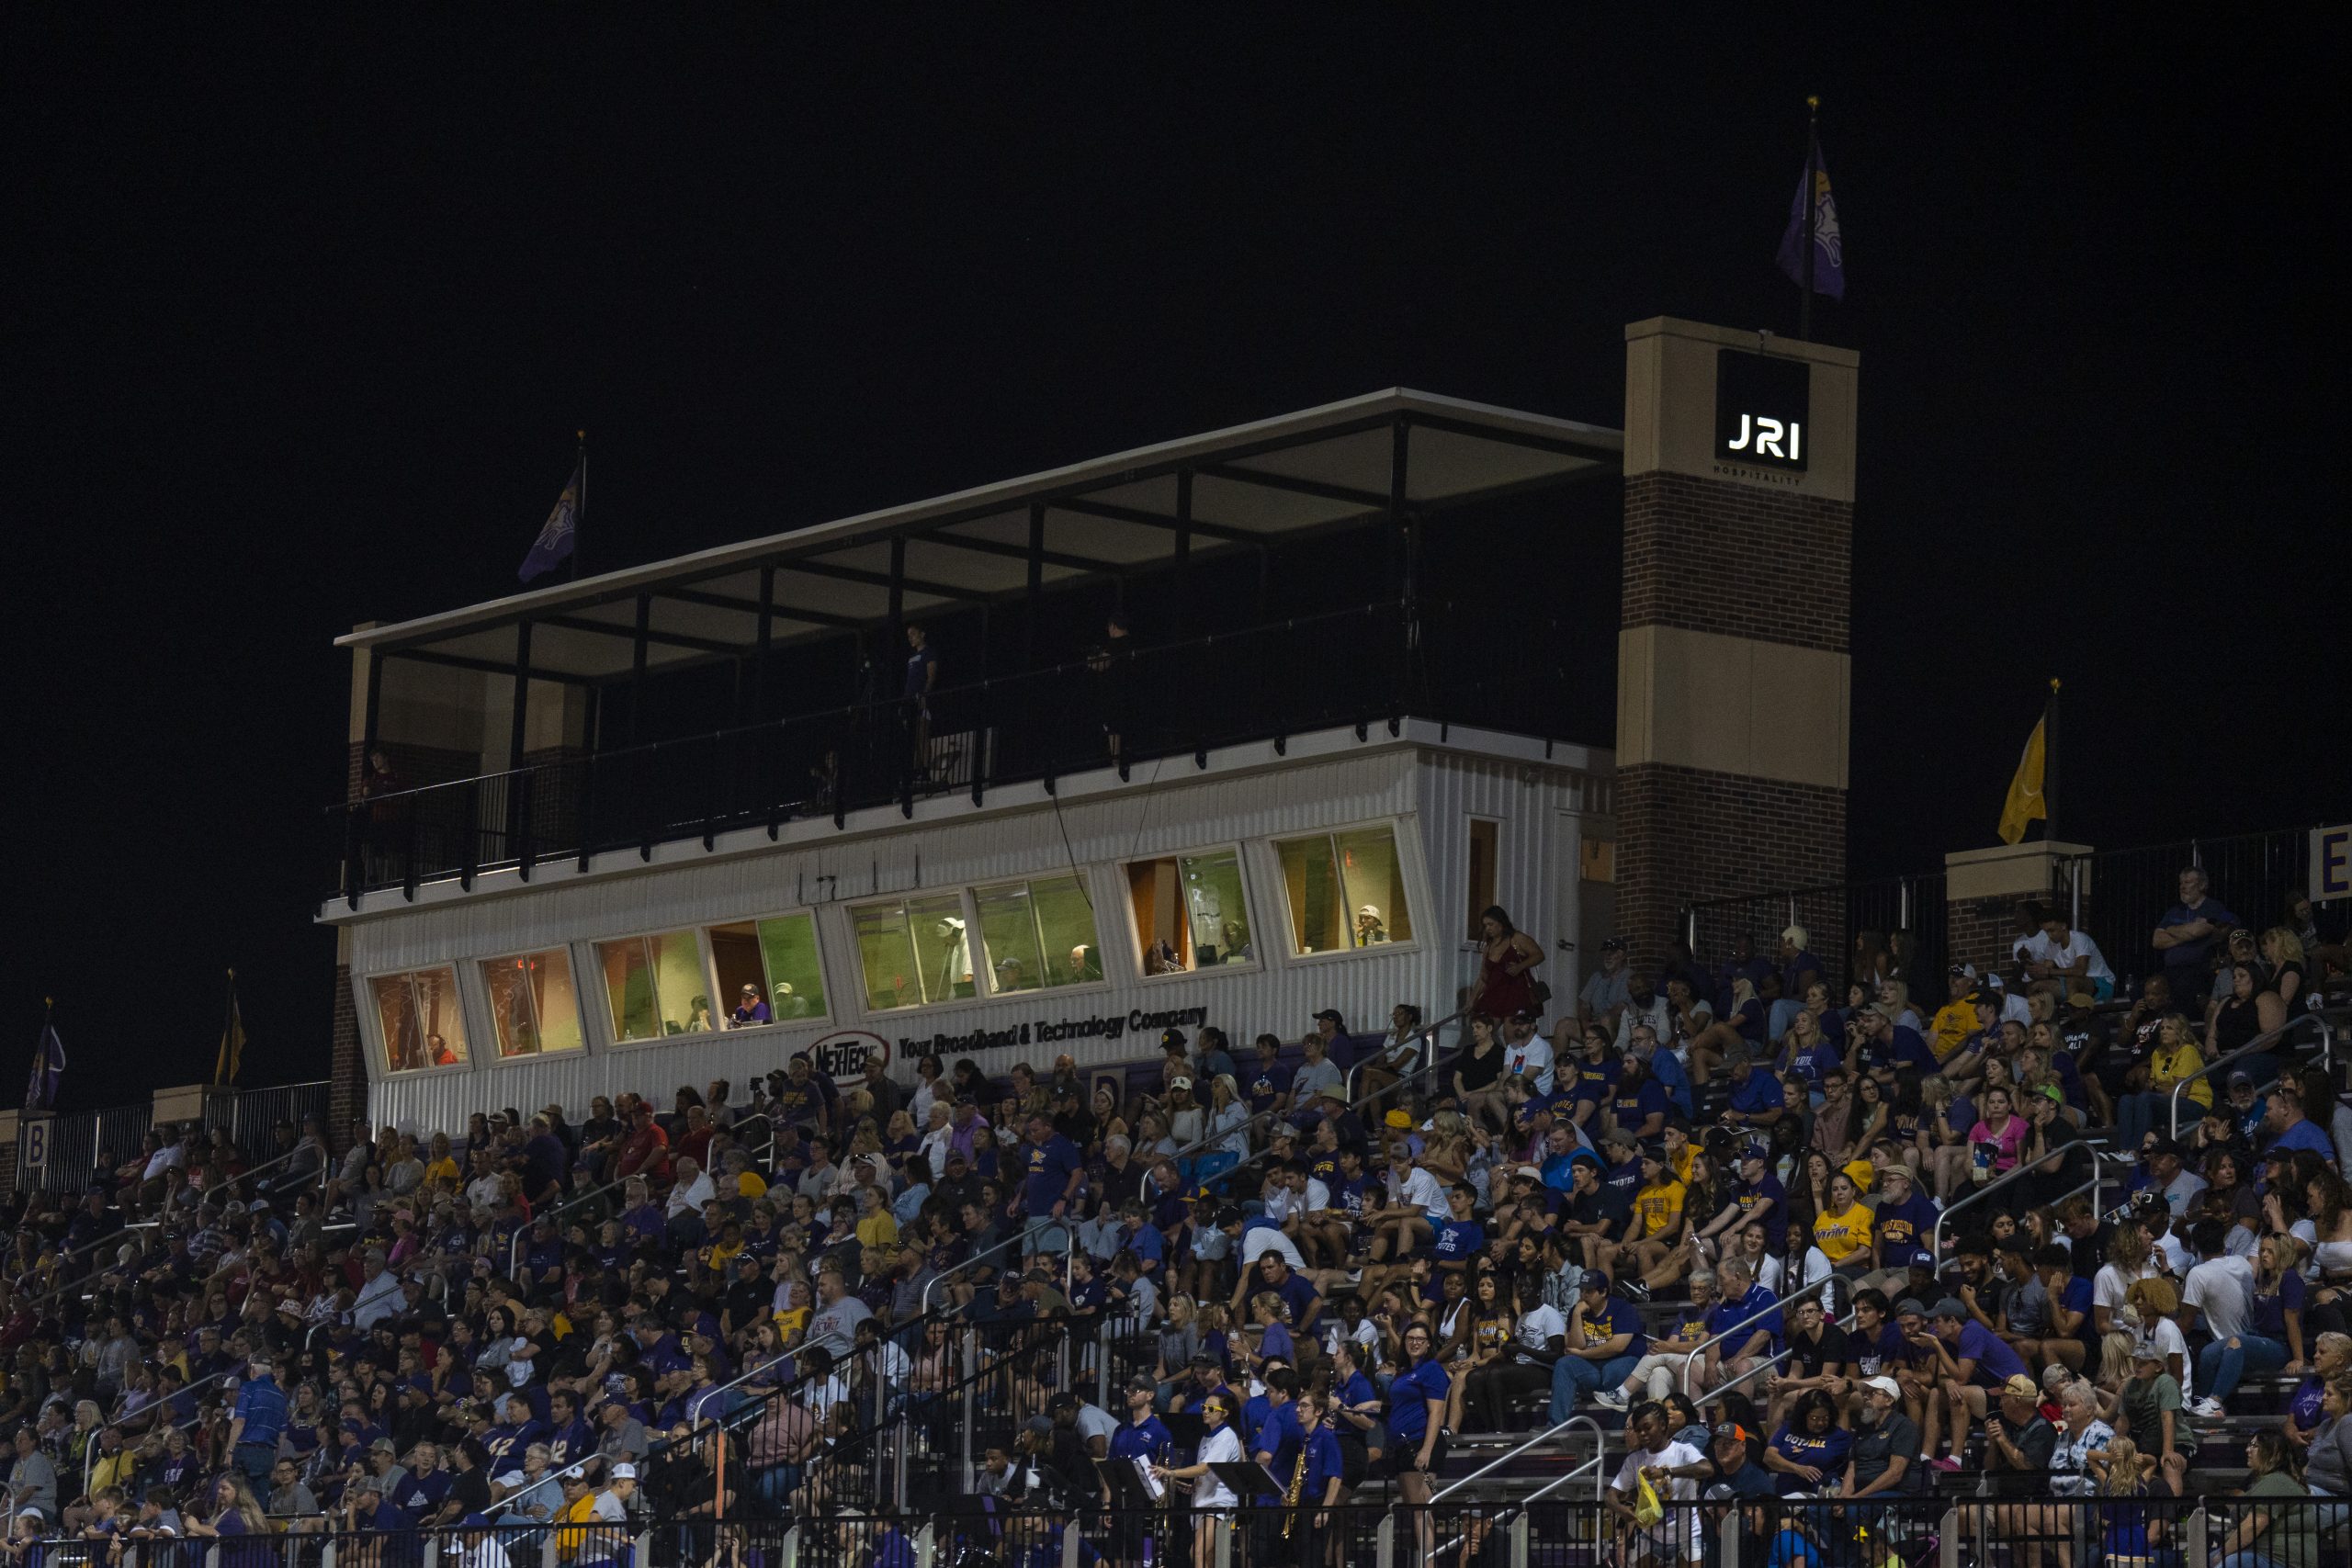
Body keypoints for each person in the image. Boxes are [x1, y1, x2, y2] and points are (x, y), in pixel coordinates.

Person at [1607, 1401, 1705, 1567]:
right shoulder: (1635, 1460)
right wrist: (1623, 1510)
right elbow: (1610, 1496)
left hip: (1687, 1535)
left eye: (1647, 1427)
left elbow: (1706, 1468)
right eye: (1638, 1430)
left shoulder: (1684, 1450)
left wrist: (1667, 1472)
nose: (1643, 1433)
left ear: (1662, 1425)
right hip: (1651, 1536)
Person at [1384, 1321, 1450, 1564]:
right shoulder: (1405, 1370)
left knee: (1423, 1511)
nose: (1414, 1342)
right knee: (1415, 1511)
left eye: (1420, 1339)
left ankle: (1428, 1564)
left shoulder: (1431, 1369)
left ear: (1428, 1344)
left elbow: (1436, 1413)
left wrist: (1426, 1450)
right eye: (1410, 1338)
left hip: (1420, 1443)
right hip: (1402, 1445)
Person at [1150, 1393, 1241, 1568]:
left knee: (1197, 1552)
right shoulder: (1207, 1437)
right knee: (1208, 1558)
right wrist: (1194, 1486)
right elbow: (1205, 1474)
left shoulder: (1226, 1437)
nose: (1205, 1412)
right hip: (1203, 1501)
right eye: (1204, 1408)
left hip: (1217, 1503)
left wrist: (1172, 1473)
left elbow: (1205, 1467)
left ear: (1225, 1413)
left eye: (1211, 1409)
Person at [2215, 1430, 2318, 1568]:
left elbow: (2253, 1526)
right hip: (2260, 1553)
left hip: (2279, 1560)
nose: (2247, 1450)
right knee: (2200, 1557)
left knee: (2229, 1563)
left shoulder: (2276, 1481)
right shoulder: (2265, 1481)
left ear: (2274, 1451)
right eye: (2249, 1445)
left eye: (2254, 1445)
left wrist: (2222, 1554)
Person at [1467, 906, 1544, 1021]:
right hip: (1495, 993)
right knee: (1485, 1028)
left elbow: (1538, 955)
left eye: (1491, 924)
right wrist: (1472, 1000)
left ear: (1501, 922)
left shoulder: (1517, 938)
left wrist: (1520, 966)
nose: (1488, 928)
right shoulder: (1489, 946)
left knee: (1511, 1031)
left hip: (1516, 993)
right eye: (1485, 925)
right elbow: (1484, 977)